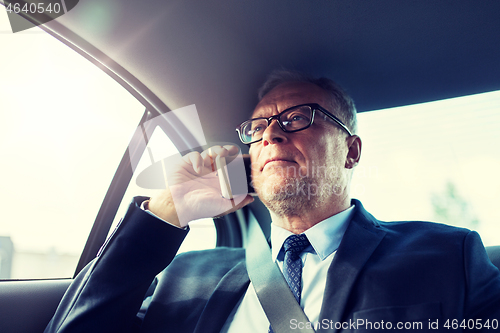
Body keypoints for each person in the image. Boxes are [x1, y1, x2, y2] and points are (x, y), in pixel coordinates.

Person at [44, 70, 500, 333]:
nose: (272, 134)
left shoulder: (449, 257)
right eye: (258, 129)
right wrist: (169, 207)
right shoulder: (184, 275)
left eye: (298, 118)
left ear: (352, 151)